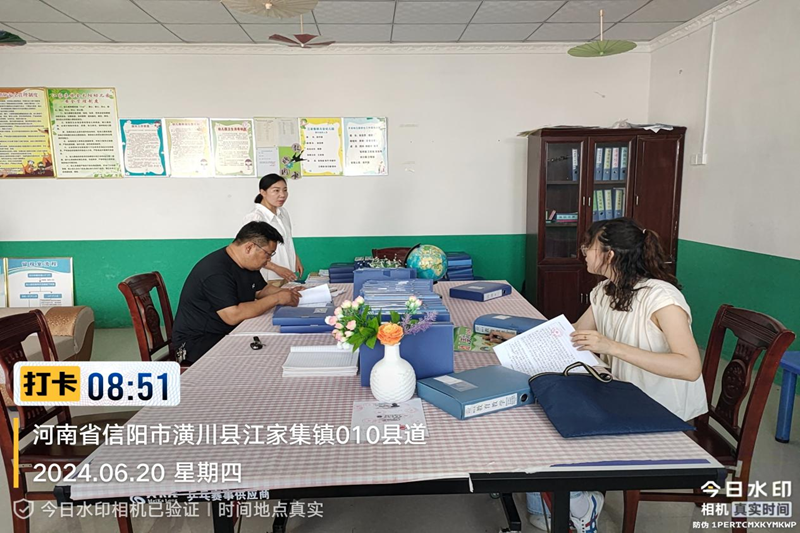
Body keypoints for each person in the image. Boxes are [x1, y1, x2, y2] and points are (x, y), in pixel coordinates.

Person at [527, 217, 708, 533]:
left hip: (659, 409)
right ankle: (559, 502)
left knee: (559, 433)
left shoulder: (661, 298)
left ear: (609, 255)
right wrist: (523, 341)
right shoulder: (604, 291)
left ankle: (581, 505)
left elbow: (689, 367)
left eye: (589, 245)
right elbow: (575, 334)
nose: (583, 250)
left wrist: (611, 346)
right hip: (623, 396)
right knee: (541, 419)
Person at [172, 221, 300, 363]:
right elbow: (233, 315)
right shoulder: (215, 271)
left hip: (227, 332)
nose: (269, 260)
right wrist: (277, 298)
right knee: (265, 359)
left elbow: (261, 290)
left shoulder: (246, 264)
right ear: (249, 247)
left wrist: (289, 293)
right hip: (198, 342)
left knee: (277, 345)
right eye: (268, 254)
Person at [243, 174, 303, 286]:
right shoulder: (256, 217)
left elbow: (287, 240)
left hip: (286, 274)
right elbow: (253, 252)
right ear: (263, 192)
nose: (282, 195)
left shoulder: (283, 213)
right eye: (276, 190)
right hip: (268, 277)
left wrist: (295, 258)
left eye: (285, 190)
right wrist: (277, 268)